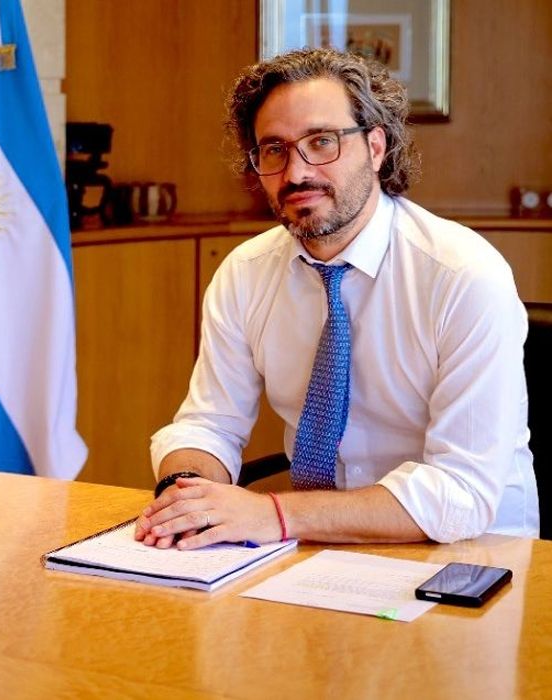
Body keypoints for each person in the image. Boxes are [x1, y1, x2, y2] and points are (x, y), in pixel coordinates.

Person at [136, 48, 538, 549]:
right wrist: (187, 492)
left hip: (471, 552)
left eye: (321, 141)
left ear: (375, 147)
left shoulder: (463, 277)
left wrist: (275, 515)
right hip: (317, 544)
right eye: (274, 150)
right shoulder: (245, 274)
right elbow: (209, 423)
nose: (296, 172)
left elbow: (460, 493)